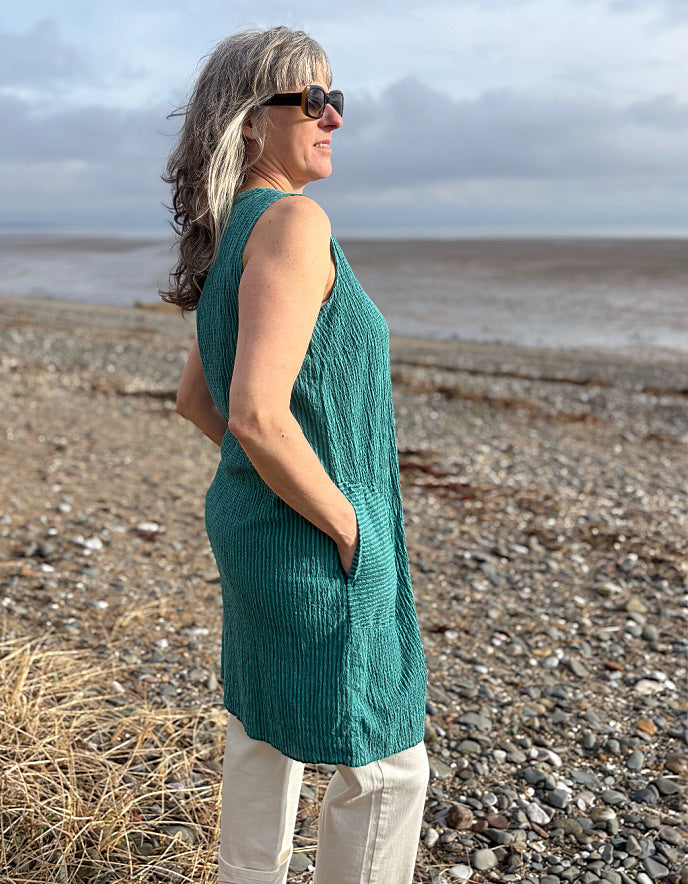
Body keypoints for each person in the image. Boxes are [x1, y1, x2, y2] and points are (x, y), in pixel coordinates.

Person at [161, 25, 429, 884]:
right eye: (314, 100)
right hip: (316, 535)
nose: (335, 117)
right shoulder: (293, 223)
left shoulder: (233, 234)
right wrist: (346, 520)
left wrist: (266, 480)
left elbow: (196, 401)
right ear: (250, 122)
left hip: (257, 529)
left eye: (335, 99)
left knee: (264, 734)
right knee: (387, 766)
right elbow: (253, 414)